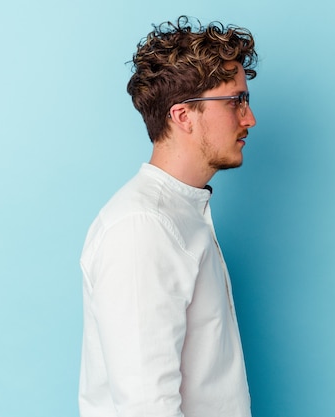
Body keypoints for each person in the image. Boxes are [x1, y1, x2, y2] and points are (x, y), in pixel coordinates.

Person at [79, 16, 258, 417]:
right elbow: (146, 407)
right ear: (182, 116)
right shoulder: (144, 228)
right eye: (235, 102)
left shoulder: (180, 215)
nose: (249, 119)